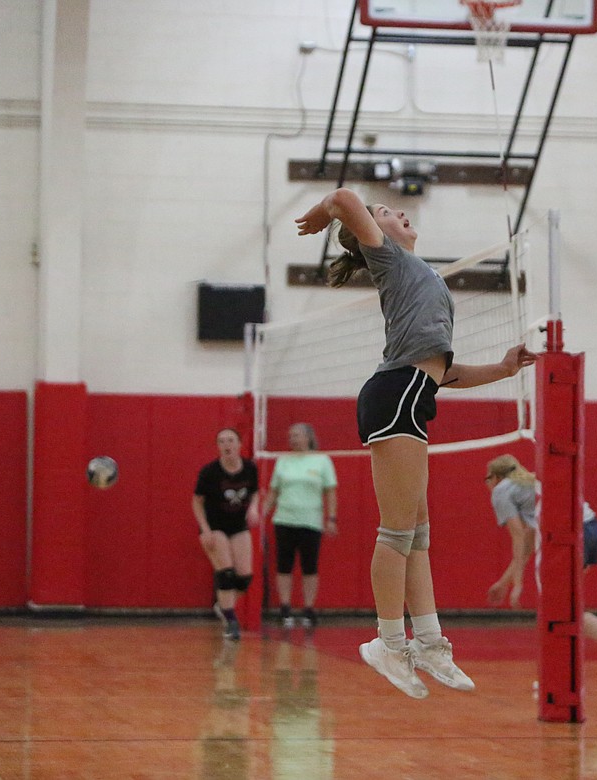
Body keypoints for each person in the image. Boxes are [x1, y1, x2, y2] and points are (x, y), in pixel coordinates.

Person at [295, 188, 538, 699]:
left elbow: (446, 372)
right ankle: (387, 641)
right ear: (373, 233)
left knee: (418, 532)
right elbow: (343, 196)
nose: (395, 213)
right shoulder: (389, 257)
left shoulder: (422, 278)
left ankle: (428, 642)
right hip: (396, 394)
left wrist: (504, 366)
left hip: (416, 392)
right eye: (384, 212)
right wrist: (324, 214)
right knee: (398, 532)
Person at [483, 454, 597, 689]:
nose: (487, 485)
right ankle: (566, 673)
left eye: (487, 479)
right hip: (591, 530)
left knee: (557, 610)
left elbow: (518, 538)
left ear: (496, 477)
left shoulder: (501, 491)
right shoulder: (529, 485)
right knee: (565, 610)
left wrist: (518, 584)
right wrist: (505, 581)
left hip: (567, 537)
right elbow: (528, 543)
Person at [261, 422, 338, 628]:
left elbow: (330, 491)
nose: (293, 439)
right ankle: (285, 609)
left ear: (308, 437)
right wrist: (262, 512)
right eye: (291, 435)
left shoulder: (322, 461)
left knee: (309, 566)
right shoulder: (283, 461)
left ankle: (308, 609)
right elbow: (273, 491)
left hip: (310, 521)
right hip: (284, 519)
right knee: (284, 565)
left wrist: (331, 518)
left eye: (297, 435)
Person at [192, 427, 261, 641]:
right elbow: (196, 501)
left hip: (238, 525)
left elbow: (256, 492)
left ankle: (223, 606)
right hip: (215, 527)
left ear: (239, 444)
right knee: (227, 574)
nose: (226, 445)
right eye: (221, 441)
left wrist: (253, 508)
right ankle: (231, 622)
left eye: (230, 440)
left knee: (244, 577)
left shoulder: (249, 468)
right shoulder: (210, 472)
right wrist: (205, 530)